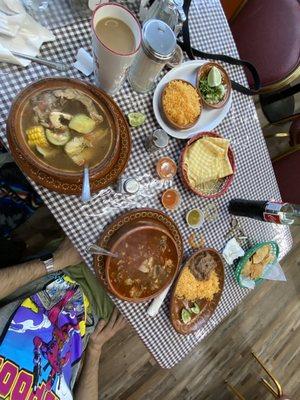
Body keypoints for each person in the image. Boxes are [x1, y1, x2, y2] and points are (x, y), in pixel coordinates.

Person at [0, 237, 126, 400]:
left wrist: (54, 262)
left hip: (54, 272)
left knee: (105, 226)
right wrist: (95, 349)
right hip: (93, 314)